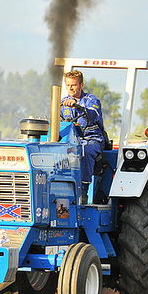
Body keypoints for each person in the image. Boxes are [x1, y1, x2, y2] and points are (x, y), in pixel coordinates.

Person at [60, 70, 106, 203]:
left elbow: (93, 115)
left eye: (73, 85)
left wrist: (77, 106)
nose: (70, 88)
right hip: (71, 139)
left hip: (92, 139)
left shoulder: (92, 100)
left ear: (81, 85)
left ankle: (83, 191)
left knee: (84, 150)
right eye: (68, 85)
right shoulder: (63, 103)